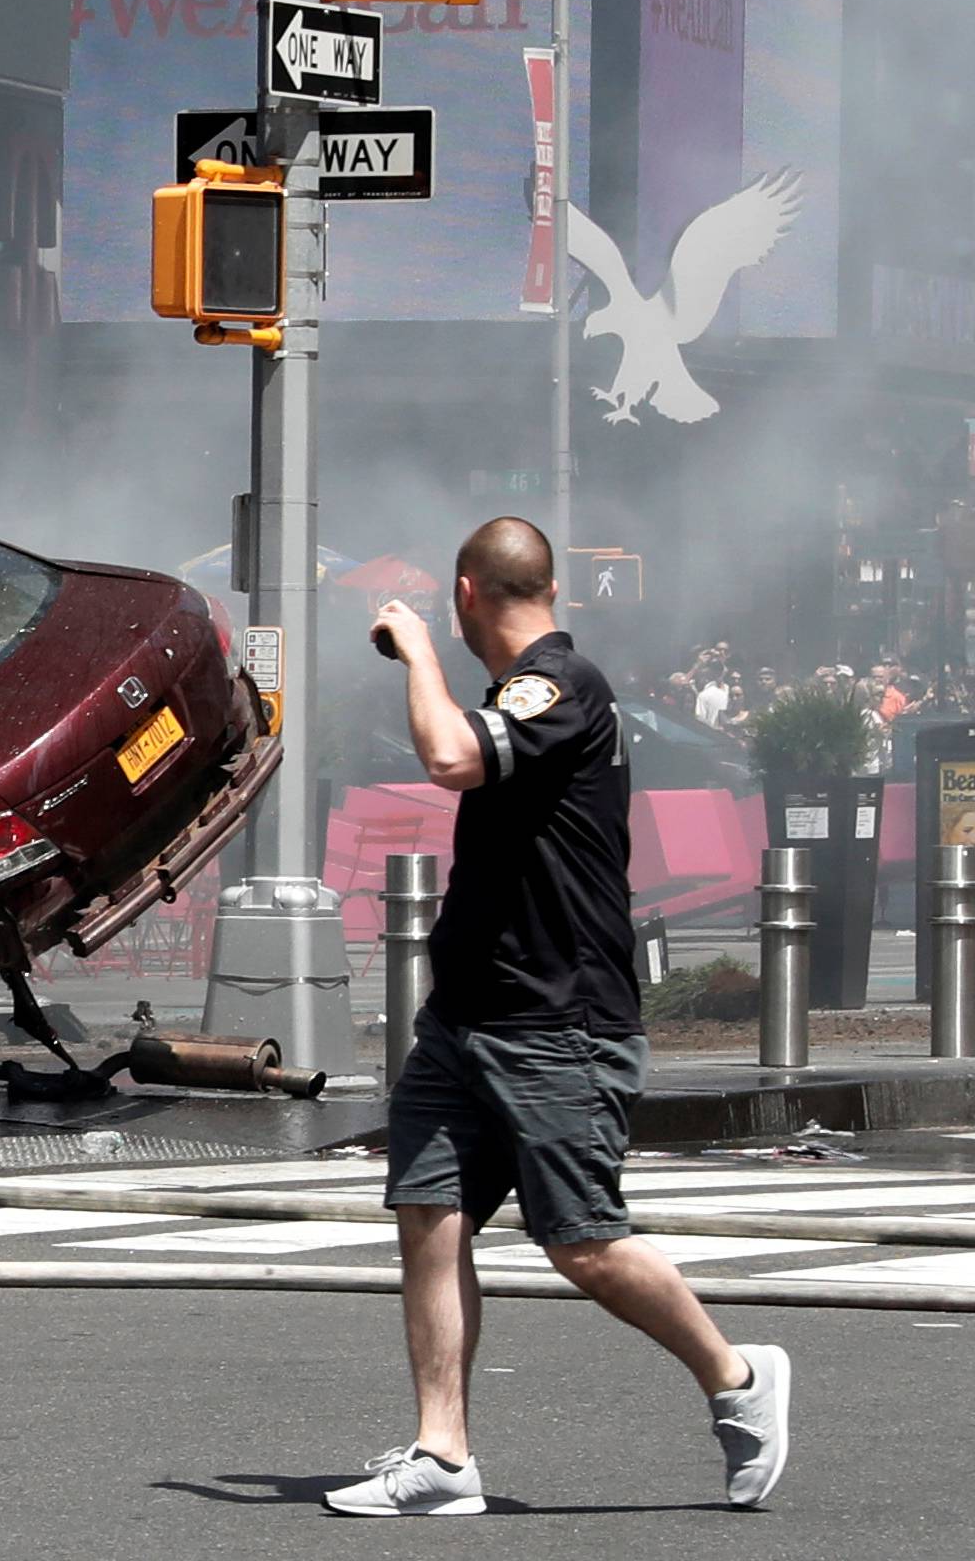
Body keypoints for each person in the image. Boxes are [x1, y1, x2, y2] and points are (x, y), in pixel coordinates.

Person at [329, 517, 791, 1519]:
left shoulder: (556, 683)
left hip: (554, 1020)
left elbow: (452, 756)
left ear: (465, 594)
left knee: (581, 1238)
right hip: (470, 1016)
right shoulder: (527, 686)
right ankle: (442, 1454)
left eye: (442, 611)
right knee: (430, 1213)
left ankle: (739, 1378)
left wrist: (411, 653)